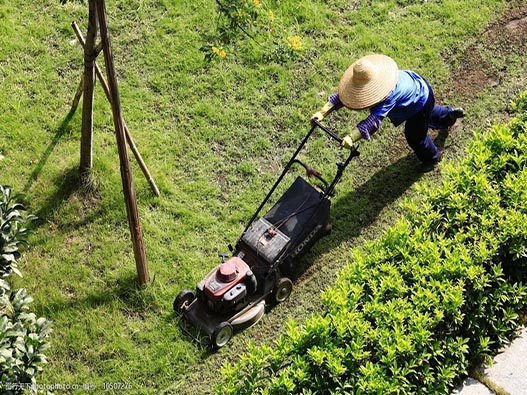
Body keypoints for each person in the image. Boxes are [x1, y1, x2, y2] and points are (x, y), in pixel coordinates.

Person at [312, 54, 464, 171]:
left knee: (415, 135)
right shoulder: (378, 74)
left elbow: (373, 122)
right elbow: (343, 96)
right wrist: (322, 112)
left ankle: (432, 158)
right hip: (419, 87)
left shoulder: (386, 96)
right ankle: (448, 115)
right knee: (427, 113)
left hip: (419, 100)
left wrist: (351, 137)